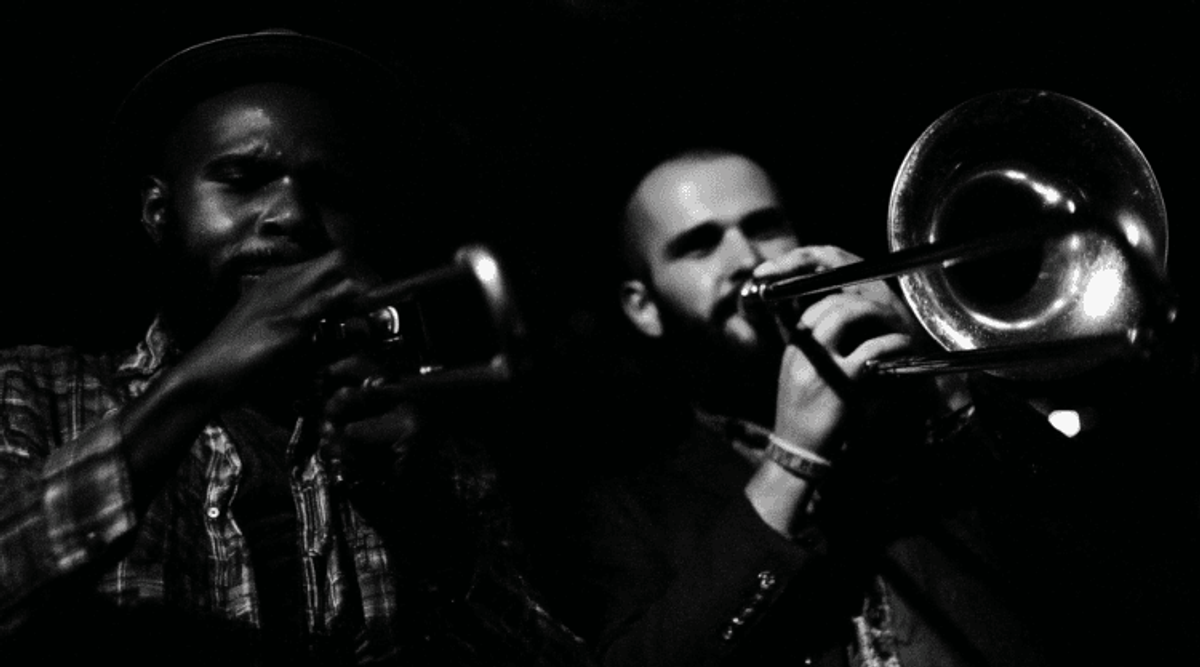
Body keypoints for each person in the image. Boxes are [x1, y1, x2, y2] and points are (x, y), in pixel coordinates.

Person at [0, 30, 593, 667]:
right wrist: (201, 379)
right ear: (156, 211)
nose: (293, 213)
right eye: (242, 179)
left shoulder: (414, 433)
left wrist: (421, 513)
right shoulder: (36, 387)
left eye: (330, 192)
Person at [561, 146, 1200, 666]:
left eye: (763, 227)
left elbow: (1130, 565)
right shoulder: (624, 501)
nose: (747, 259)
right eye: (700, 245)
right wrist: (791, 461)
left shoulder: (921, 419)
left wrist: (945, 387)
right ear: (641, 306)